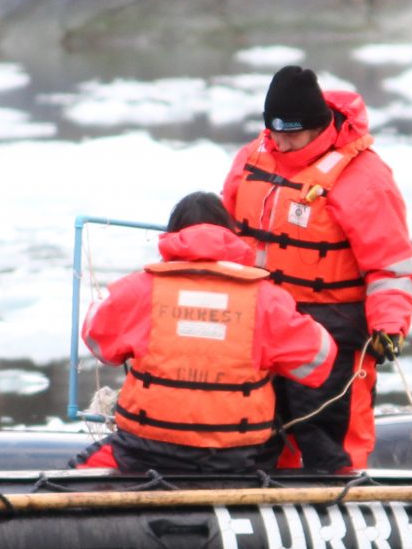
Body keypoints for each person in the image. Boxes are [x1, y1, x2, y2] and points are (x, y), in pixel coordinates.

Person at [221, 65, 412, 470]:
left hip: (329, 330)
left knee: (328, 441)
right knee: (255, 434)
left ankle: (340, 505)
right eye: (274, 130)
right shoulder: (252, 157)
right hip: (256, 323)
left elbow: (392, 266)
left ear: (318, 126)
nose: (281, 141)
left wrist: (389, 326)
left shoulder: (365, 179)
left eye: (291, 133)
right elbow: (223, 232)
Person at [81, 192, 337, 474]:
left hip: (146, 450)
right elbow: (318, 360)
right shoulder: (267, 299)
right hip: (240, 457)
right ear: (230, 233)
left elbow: (96, 339)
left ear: (173, 234)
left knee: (74, 475)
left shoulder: (140, 289)